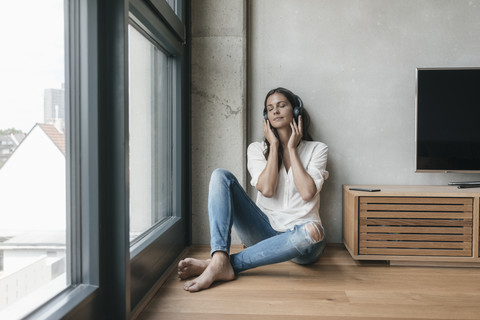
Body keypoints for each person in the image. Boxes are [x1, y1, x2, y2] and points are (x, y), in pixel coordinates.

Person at [178, 87, 329, 292]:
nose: (275, 111)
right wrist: (275, 146)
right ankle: (220, 257)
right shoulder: (257, 149)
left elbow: (307, 193)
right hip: (263, 232)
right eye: (270, 108)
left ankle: (219, 265)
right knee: (220, 176)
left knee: (312, 231)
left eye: (282, 105)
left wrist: (292, 148)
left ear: (295, 111)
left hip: (302, 241)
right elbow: (267, 189)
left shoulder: (317, 149)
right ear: (266, 117)